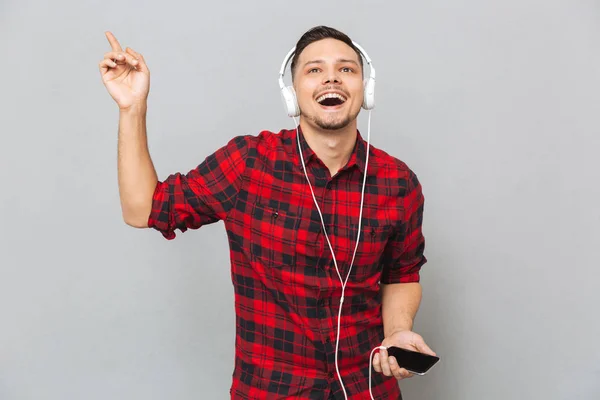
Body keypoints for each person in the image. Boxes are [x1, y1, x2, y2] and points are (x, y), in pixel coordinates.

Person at [99, 25, 436, 400]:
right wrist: (132, 108)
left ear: (365, 89)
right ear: (292, 94)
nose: (330, 77)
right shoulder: (248, 163)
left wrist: (398, 332)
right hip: (272, 390)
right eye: (314, 69)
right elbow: (143, 208)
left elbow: (401, 274)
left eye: (346, 69)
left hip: (366, 389)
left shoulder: (398, 182)